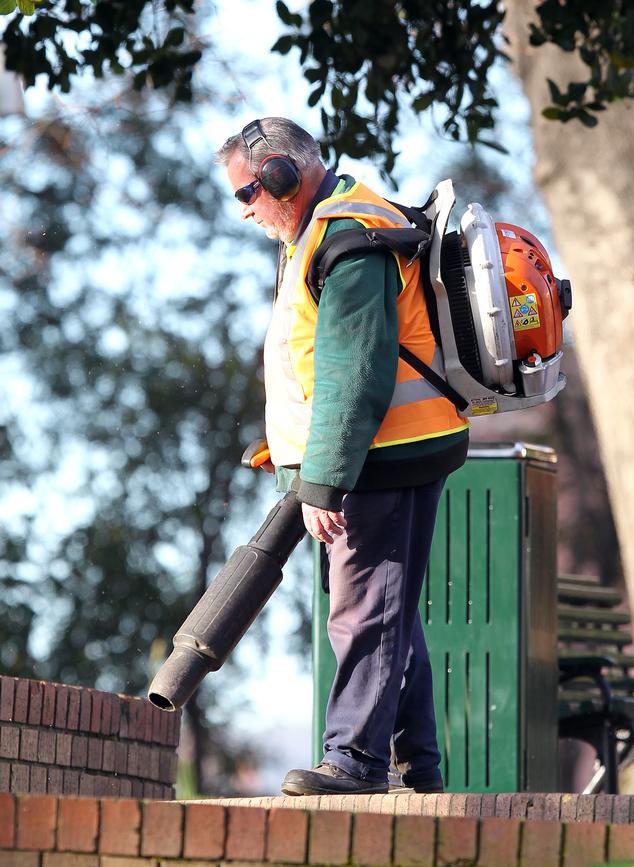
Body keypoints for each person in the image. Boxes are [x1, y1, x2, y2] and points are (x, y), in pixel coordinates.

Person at [216, 117, 469, 796]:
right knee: (390, 609)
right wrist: (293, 447)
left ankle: (356, 762)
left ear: (282, 177)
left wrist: (323, 478)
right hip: (387, 448)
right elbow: (319, 366)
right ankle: (419, 765)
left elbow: (356, 373)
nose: (245, 211)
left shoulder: (346, 235)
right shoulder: (327, 229)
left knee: (362, 611)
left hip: (381, 456)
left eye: (247, 194)